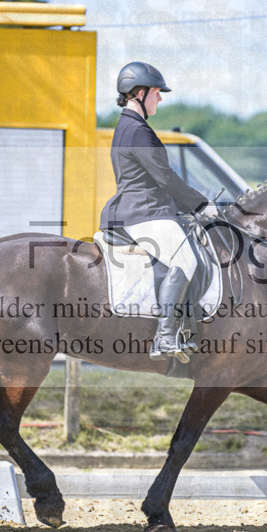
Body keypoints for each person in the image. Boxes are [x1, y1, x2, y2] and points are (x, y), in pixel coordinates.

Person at [99, 61, 211, 361]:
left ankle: (183, 328)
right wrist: (201, 204)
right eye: (156, 92)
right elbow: (165, 178)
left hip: (142, 208)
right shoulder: (137, 131)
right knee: (185, 258)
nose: (160, 98)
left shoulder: (128, 126)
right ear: (138, 93)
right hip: (145, 211)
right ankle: (164, 336)